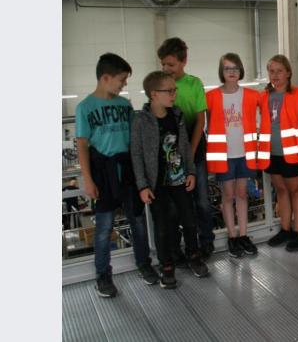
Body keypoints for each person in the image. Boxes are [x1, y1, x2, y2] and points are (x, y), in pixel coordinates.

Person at [75, 53, 156, 298]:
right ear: (105, 78)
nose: (124, 84)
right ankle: (103, 275)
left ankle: (144, 263)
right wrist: (88, 179)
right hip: (103, 172)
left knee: (138, 221)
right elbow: (82, 145)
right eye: (121, 79)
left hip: (128, 168)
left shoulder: (124, 105)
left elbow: (135, 139)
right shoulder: (85, 107)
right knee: (104, 226)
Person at [131, 71, 209, 288]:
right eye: (170, 91)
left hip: (180, 180)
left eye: (175, 90)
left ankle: (194, 256)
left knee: (190, 220)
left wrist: (191, 172)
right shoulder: (140, 121)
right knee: (163, 226)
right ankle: (166, 266)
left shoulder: (177, 115)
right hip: (156, 185)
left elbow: (184, 146)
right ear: (154, 94)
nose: (174, 94)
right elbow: (136, 154)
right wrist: (142, 185)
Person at [157, 37, 215, 260]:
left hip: (194, 147)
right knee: (178, 204)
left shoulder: (194, 84)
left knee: (202, 200)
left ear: (183, 62)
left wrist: (190, 151)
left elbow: (200, 120)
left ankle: (206, 240)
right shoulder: (160, 85)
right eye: (163, 64)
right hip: (171, 151)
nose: (166, 68)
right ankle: (180, 247)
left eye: (171, 64)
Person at [206, 53, 268, 258]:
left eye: (235, 68)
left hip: (245, 153)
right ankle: (232, 236)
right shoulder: (211, 97)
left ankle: (243, 235)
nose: (231, 72)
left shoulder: (252, 95)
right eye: (227, 68)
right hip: (223, 155)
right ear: (221, 71)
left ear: (240, 70)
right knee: (227, 195)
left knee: (242, 194)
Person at [263, 55, 298, 252]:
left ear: (288, 73)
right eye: (271, 71)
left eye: (279, 71)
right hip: (271, 152)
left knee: (296, 190)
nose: (275, 75)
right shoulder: (264, 96)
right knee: (281, 190)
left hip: (292, 153)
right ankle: (285, 229)